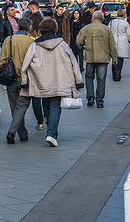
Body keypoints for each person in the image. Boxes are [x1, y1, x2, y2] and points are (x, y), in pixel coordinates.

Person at [16, 16, 83, 147]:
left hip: (41, 81)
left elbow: (25, 64)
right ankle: (52, 134)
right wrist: (78, 81)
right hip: (59, 81)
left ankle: (49, 126)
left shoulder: (35, 45)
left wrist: (25, 81)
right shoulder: (62, 44)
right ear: (55, 29)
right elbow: (74, 63)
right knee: (55, 106)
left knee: (46, 104)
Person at [0, 18, 34, 144]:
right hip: (26, 79)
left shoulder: (8, 40)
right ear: (29, 28)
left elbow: (2, 61)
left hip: (10, 78)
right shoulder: (31, 42)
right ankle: (12, 132)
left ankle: (23, 133)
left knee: (15, 107)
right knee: (22, 106)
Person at [76, 10, 118, 106]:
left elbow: (78, 41)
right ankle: (100, 101)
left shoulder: (87, 28)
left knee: (89, 77)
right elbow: (112, 45)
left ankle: (90, 97)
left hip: (90, 57)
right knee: (101, 79)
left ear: (93, 18)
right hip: (103, 58)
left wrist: (84, 47)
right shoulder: (107, 29)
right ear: (102, 19)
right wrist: (114, 58)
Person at [109, 9, 130, 81]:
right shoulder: (125, 23)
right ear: (123, 15)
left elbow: (108, 30)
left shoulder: (112, 22)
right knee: (120, 58)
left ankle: (114, 72)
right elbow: (129, 34)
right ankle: (118, 73)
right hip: (122, 41)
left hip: (113, 40)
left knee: (114, 57)